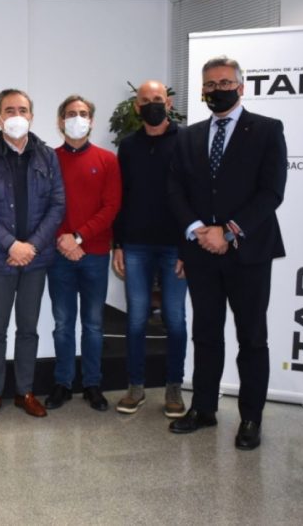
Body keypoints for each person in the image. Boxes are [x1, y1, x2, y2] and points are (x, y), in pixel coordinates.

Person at [167, 56, 287, 450]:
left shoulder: (267, 130)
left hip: (248, 252)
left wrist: (229, 232)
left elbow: (271, 192)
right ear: (202, 90)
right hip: (201, 251)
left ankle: (251, 418)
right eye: (210, 85)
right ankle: (203, 408)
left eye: (224, 83)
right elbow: (177, 190)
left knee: (252, 337)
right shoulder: (189, 136)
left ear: (241, 86)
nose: (217, 90)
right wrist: (197, 231)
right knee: (206, 332)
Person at [0, 89, 65, 420]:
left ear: (31, 115)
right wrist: (12, 245)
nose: (16, 115)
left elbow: (57, 205)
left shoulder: (47, 156)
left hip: (36, 260)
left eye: (22, 109)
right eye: (9, 110)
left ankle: (25, 391)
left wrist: (31, 247)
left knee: (28, 329)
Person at [112, 80, 188, 417]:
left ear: (168, 104)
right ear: (137, 107)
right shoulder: (127, 147)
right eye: (146, 100)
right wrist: (118, 244)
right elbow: (120, 197)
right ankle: (136, 387)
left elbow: (196, 194)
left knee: (175, 319)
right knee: (136, 320)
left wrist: (190, 247)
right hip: (137, 245)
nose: (152, 104)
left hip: (176, 245)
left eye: (158, 99)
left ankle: (174, 387)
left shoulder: (187, 141)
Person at [45, 95, 121, 412]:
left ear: (91, 120)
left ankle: (92, 384)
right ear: (61, 121)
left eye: (84, 113)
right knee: (63, 323)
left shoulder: (108, 160)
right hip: (59, 253)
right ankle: (63, 382)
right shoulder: (48, 159)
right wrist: (63, 240)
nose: (78, 118)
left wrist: (79, 237)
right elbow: (44, 206)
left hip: (95, 254)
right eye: (71, 113)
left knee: (93, 324)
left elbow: (111, 206)